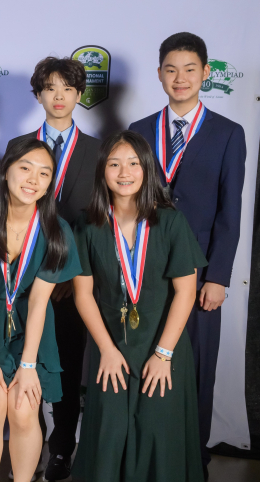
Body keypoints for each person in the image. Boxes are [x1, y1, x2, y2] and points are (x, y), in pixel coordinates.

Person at [128, 32, 246, 480]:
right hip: (142, 270)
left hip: (197, 278)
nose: (180, 78)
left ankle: (192, 455)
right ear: (159, 75)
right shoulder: (138, 131)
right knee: (143, 357)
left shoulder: (227, 134)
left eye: (190, 69)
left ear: (206, 73)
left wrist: (217, 276)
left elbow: (229, 214)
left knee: (195, 366)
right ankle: (145, 452)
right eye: (171, 70)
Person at [71, 131, 206, 482]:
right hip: (110, 346)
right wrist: (106, 349)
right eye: (114, 164)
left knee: (160, 435)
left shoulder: (171, 221)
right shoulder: (87, 224)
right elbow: (83, 294)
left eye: (133, 163)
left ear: (146, 170)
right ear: (102, 171)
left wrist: (163, 355)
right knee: (108, 434)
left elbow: (186, 293)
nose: (124, 172)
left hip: (163, 347)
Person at [0, 138, 80, 482]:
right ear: (6, 171)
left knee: (23, 411)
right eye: (25, 168)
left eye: (44, 173)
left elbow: (38, 301)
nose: (33, 179)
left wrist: (28, 364)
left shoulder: (57, 231)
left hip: (33, 329)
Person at [6, 55, 101, 481]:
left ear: (80, 95)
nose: (58, 96)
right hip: (21, 283)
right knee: (20, 365)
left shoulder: (101, 152)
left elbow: (100, 222)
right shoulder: (17, 146)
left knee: (65, 365)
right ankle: (29, 445)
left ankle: (62, 449)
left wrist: (71, 277)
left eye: (67, 88)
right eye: (50, 88)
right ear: (39, 94)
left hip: (73, 282)